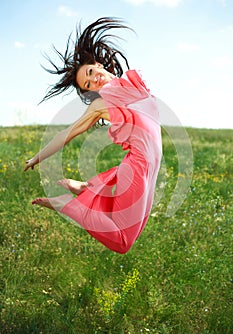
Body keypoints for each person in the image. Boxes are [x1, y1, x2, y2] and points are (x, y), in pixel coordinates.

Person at [24, 17, 162, 254]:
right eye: (88, 84)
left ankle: (85, 190)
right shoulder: (102, 103)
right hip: (137, 166)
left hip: (153, 167)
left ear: (98, 64)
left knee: (132, 231)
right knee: (122, 241)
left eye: (90, 73)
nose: (94, 80)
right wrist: (37, 157)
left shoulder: (133, 83)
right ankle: (64, 204)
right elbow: (67, 134)